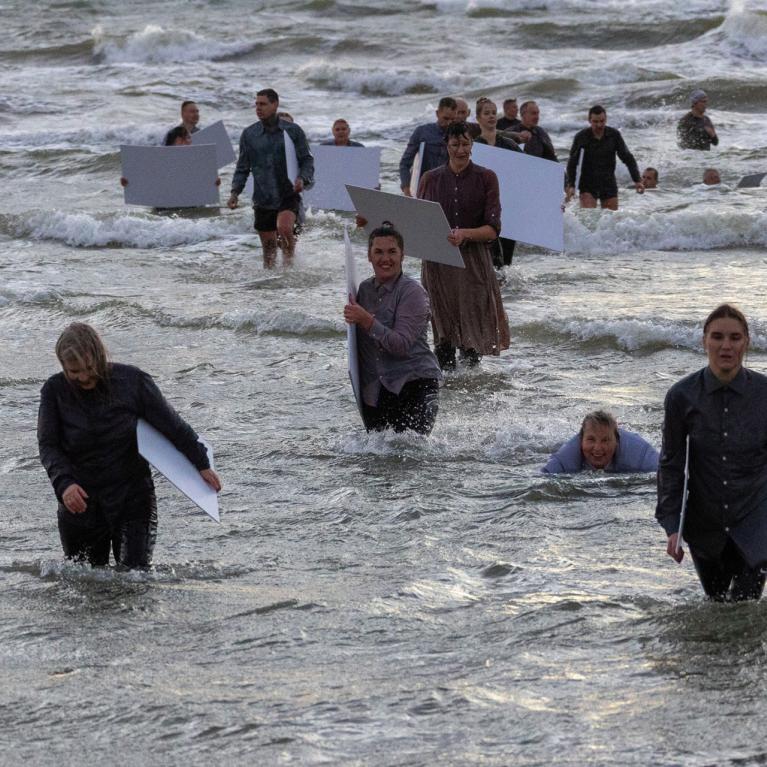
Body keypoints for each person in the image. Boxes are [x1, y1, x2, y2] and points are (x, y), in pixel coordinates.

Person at [37, 323, 222, 570]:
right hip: (80, 503)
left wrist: (201, 463)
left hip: (132, 499)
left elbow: (173, 426)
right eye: (74, 372)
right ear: (63, 366)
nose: (83, 377)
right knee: (85, 583)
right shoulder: (54, 391)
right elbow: (48, 445)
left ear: (99, 355)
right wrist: (64, 484)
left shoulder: (132, 382)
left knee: (135, 579)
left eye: (89, 368)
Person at [656, 304, 767, 602]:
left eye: (735, 338)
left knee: (744, 607)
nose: (726, 346)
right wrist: (671, 525)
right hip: (704, 525)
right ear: (704, 341)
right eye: (717, 337)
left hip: (756, 522)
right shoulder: (681, 396)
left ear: (747, 342)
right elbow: (671, 464)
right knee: (716, 607)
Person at [418, 122, 510, 369]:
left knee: (472, 341)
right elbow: (418, 220)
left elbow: (493, 229)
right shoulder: (430, 179)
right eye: (455, 144)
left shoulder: (487, 177)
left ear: (473, 145)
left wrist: (464, 234)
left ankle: (471, 394)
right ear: (446, 146)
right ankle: (444, 392)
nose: (461, 150)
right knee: (443, 337)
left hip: (474, 263)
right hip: (438, 263)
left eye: (466, 144)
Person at [343, 222, 442, 434]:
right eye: (378, 252)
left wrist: (367, 320)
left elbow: (401, 345)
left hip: (416, 384)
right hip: (376, 391)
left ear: (402, 255)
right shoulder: (364, 290)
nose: (385, 259)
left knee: (412, 455)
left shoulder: (413, 293)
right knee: (374, 460)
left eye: (392, 252)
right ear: (369, 256)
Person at [228, 88, 314, 268]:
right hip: (263, 198)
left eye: (263, 104)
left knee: (284, 228)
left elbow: (306, 160)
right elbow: (242, 167)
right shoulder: (249, 134)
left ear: (275, 105)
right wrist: (235, 192)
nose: (258, 108)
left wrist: (302, 179)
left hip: (287, 193)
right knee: (269, 253)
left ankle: (289, 269)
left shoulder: (293, 131)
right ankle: (271, 287)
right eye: (257, 104)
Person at [565, 105, 644, 210]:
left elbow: (627, 158)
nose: (599, 125)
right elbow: (572, 163)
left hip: (608, 182)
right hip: (588, 183)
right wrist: (571, 185)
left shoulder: (614, 135)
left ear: (606, 119)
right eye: (595, 122)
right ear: (589, 121)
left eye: (602, 121)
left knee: (611, 218)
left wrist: (637, 180)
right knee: (589, 217)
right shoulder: (581, 137)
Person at [474, 97, 520, 269]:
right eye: (486, 113)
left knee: (506, 261)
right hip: (482, 209)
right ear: (478, 118)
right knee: (490, 258)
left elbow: (528, 175)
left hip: (509, 208)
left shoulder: (509, 145)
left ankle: (504, 294)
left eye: (494, 113)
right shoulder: (474, 146)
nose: (491, 116)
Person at [543, 411, 659, 473]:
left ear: (617, 441)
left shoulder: (639, 453)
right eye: (591, 440)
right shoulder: (566, 457)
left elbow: (668, 474)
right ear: (581, 440)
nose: (598, 448)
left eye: (605, 440)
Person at [399, 97, 457, 197]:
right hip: (423, 188)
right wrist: (406, 188)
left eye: (452, 120)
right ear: (437, 113)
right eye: (445, 118)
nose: (449, 123)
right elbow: (405, 163)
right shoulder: (422, 132)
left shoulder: (459, 136)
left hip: (448, 190)